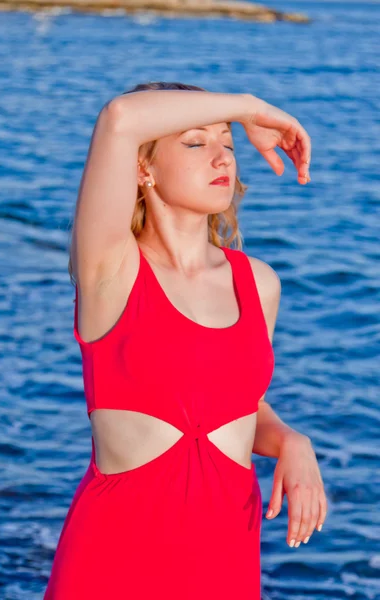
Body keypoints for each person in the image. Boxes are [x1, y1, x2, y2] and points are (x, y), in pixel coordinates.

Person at [43, 82, 327, 599]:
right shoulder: (112, 271)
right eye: (196, 143)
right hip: (112, 561)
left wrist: (290, 440)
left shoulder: (258, 283)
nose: (222, 156)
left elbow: (239, 405)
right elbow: (120, 116)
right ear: (142, 169)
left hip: (225, 561)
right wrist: (249, 108)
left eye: (230, 143)